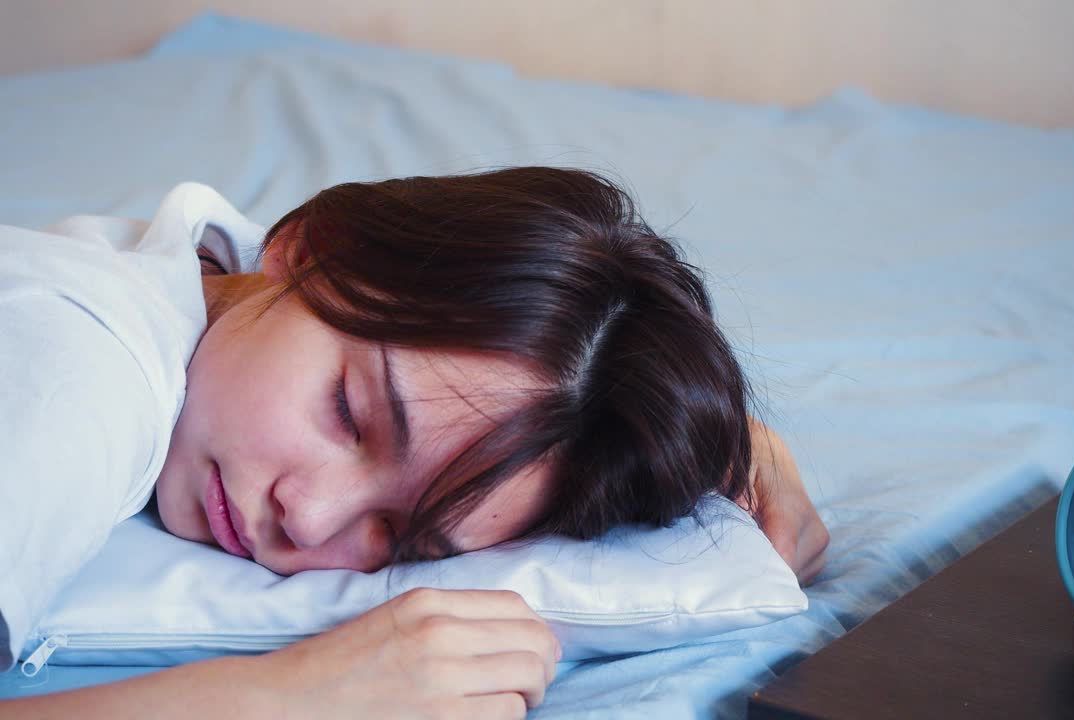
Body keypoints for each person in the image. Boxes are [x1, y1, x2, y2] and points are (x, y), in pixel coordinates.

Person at [0, 167, 828, 718]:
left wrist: (727, 441)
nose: (310, 520)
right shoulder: (77, 378)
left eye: (403, 535)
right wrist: (291, 697)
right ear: (308, 250)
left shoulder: (234, 282)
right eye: (350, 415)